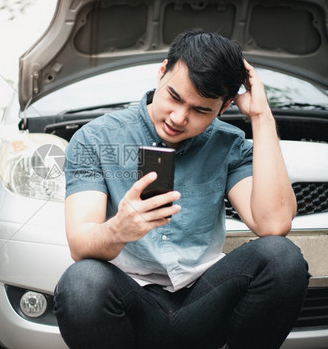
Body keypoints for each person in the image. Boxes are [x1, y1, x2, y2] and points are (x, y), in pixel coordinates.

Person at [53, 30, 310, 349]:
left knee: (282, 257)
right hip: (130, 304)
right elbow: (80, 244)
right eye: (174, 97)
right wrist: (118, 229)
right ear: (162, 72)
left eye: (200, 110)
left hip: (204, 303)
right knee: (82, 283)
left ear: (225, 105)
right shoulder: (95, 139)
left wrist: (260, 116)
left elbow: (273, 224)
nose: (178, 118)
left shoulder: (228, 144)